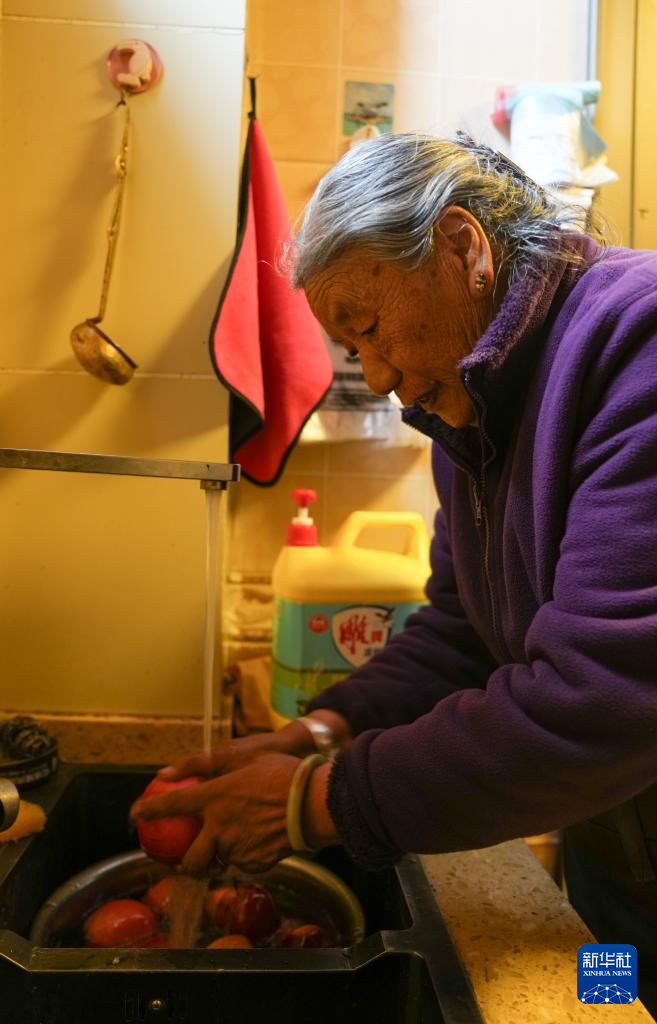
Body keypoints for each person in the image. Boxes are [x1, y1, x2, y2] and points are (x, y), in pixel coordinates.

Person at [132, 132, 657, 1011]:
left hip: (624, 783)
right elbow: (461, 636)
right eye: (350, 348)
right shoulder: (469, 404)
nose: (375, 377)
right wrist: (322, 731)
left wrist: (317, 801)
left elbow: (605, 697)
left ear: (461, 247)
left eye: (368, 328)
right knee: (613, 998)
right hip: (614, 838)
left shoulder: (636, 342)